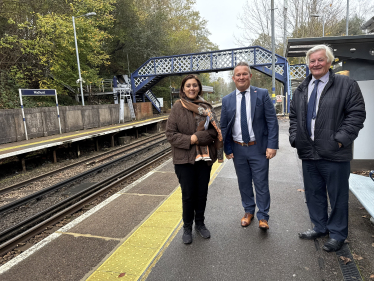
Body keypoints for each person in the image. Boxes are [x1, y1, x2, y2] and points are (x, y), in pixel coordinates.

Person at [289, 45, 366, 252]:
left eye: (320, 60)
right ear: (308, 64)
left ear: (329, 62)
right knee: (314, 193)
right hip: (308, 152)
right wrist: (295, 138)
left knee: (338, 196)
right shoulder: (302, 89)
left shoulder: (346, 84)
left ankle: (338, 234)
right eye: (312, 61)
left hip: (335, 153)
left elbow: (356, 114)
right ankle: (320, 227)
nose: (316, 64)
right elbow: (294, 117)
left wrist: (339, 140)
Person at [220, 62, 279, 230]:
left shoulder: (262, 94)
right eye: (238, 75)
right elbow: (224, 126)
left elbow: (271, 121)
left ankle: (263, 216)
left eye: (244, 74)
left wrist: (272, 145)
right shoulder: (227, 100)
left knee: (261, 183)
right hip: (238, 149)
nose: (241, 77)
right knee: (244, 182)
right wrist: (227, 148)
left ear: (250, 76)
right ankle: (248, 211)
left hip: (258, 148)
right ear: (233, 78)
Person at [166, 74, 223, 244]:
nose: (192, 88)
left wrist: (197, 137)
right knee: (188, 195)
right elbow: (170, 134)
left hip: (204, 160)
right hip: (184, 160)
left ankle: (200, 223)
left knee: (202, 194)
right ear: (183, 89)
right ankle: (187, 227)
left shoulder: (206, 107)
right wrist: (190, 140)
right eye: (188, 85)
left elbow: (214, 132)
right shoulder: (177, 108)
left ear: (199, 88)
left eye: (195, 85)